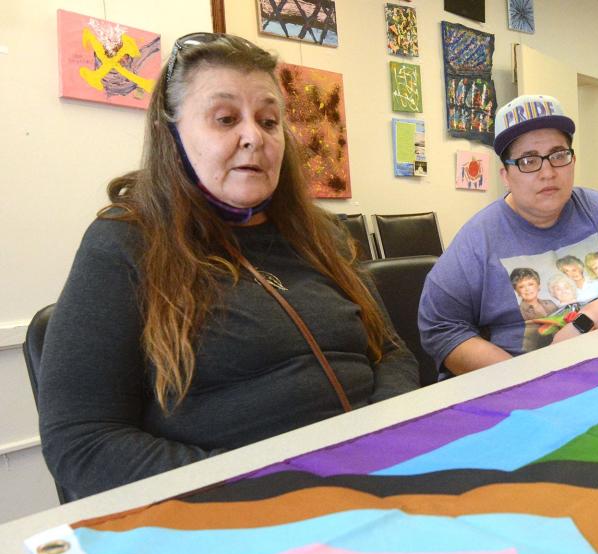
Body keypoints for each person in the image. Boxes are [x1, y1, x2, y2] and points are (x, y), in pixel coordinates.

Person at [38, 34, 418, 500]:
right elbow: (82, 440)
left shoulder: (323, 234)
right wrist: (253, 486)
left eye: (269, 120)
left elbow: (393, 352)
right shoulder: (124, 243)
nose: (253, 136)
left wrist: (383, 436)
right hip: (237, 509)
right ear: (171, 133)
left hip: (377, 478)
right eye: (225, 119)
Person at [419, 94, 598, 377]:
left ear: (573, 160)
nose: (548, 172)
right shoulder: (477, 240)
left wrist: (583, 323)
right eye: (528, 161)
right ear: (505, 175)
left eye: (558, 155)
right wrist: (524, 377)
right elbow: (440, 327)